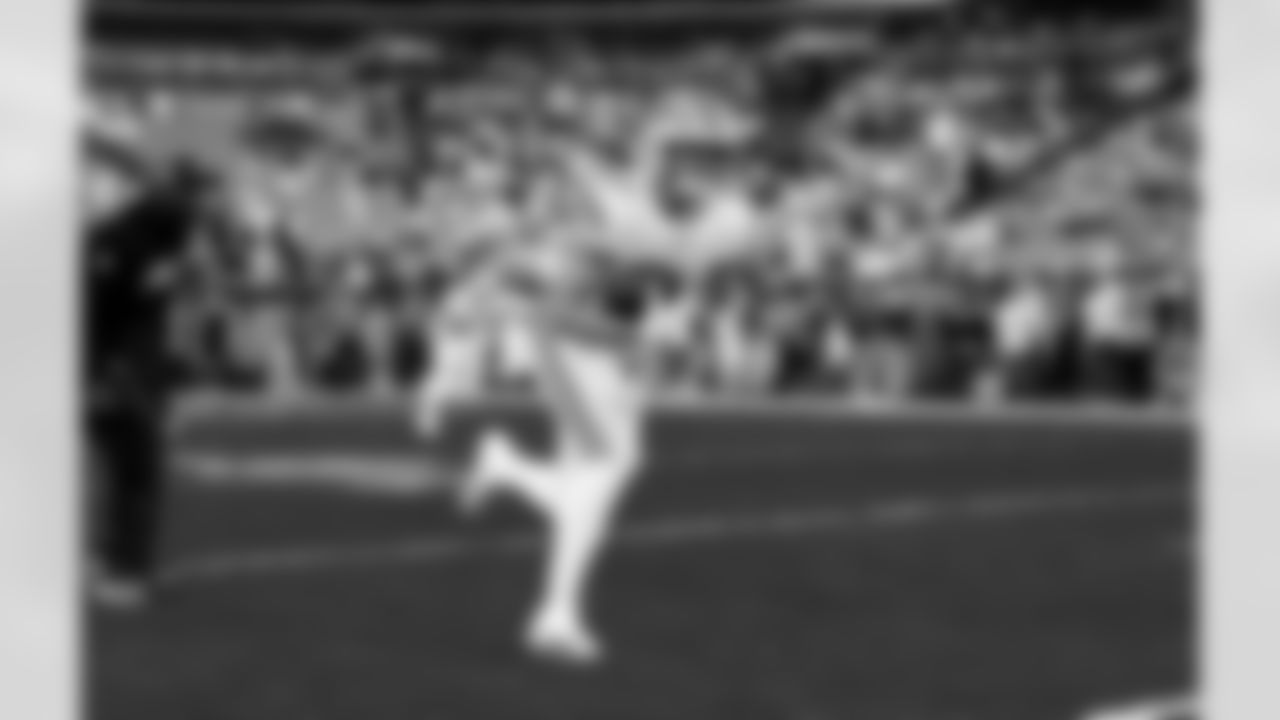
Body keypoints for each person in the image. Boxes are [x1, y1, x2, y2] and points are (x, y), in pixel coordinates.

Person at [84, 147, 216, 610]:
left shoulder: (130, 233)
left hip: (119, 362)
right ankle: (125, 571)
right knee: (137, 471)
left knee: (123, 468)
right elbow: (103, 307)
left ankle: (109, 558)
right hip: (118, 365)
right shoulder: (132, 237)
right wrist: (98, 370)